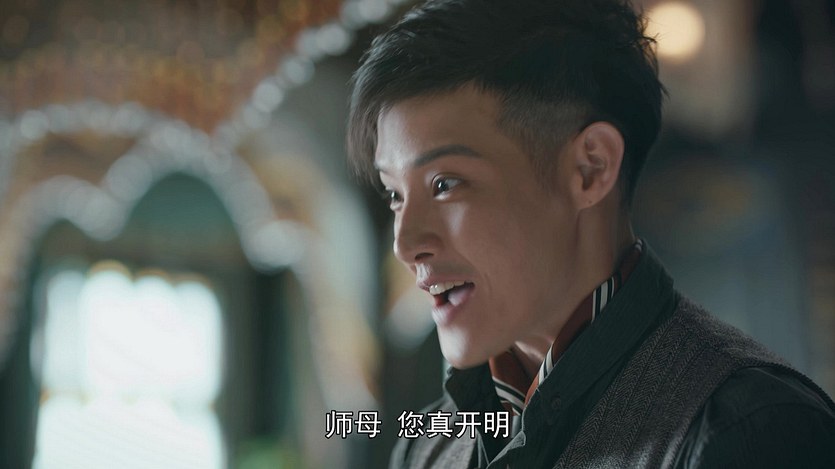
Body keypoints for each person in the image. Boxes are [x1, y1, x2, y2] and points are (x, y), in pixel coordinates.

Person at [346, 0, 835, 467]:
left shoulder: (748, 429)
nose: (406, 245)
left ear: (589, 169)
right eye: (395, 195)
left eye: (445, 184)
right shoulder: (430, 447)